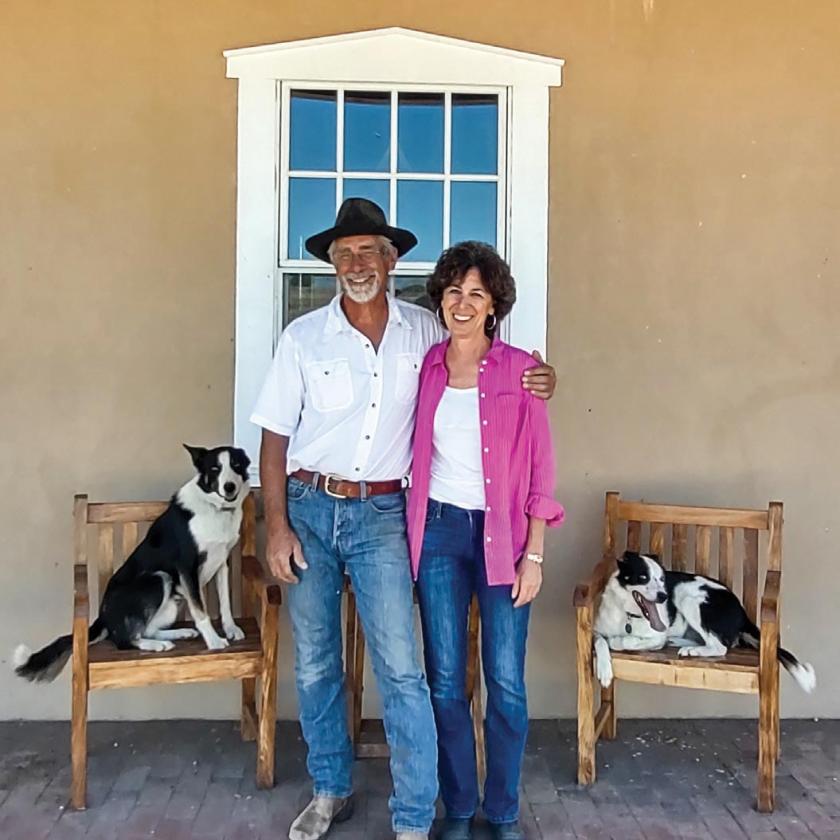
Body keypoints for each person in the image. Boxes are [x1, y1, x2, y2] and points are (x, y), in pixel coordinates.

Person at [251, 199, 556, 840]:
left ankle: (416, 816)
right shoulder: (302, 338)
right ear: (331, 264)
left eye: (369, 251)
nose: (357, 263)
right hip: (308, 509)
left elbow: (495, 367)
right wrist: (274, 525)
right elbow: (275, 439)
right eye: (344, 253)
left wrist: (539, 375)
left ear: (392, 261)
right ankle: (331, 788)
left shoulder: (425, 331)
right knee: (315, 662)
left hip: (385, 512)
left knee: (403, 666)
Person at [407, 241, 565, 840]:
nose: (463, 303)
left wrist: (536, 551)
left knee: (505, 681)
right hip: (441, 531)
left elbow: (542, 467)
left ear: (494, 304)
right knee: (445, 680)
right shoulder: (426, 369)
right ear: (440, 301)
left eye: (476, 293)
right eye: (453, 292)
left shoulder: (523, 370)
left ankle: (500, 812)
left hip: (504, 537)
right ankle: (458, 809)